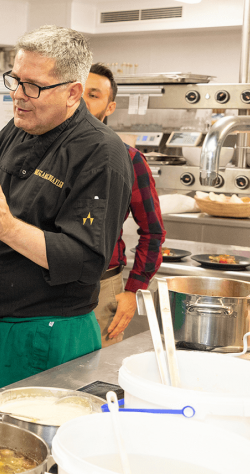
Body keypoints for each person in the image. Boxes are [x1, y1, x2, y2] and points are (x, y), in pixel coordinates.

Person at [0, 25, 133, 403]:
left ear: (73, 92)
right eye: (15, 81)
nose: (17, 96)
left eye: (33, 86)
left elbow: (85, 260)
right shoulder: (18, 129)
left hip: (45, 334)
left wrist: (7, 229)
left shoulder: (101, 153)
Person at [84, 63, 166, 347]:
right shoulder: (45, 155)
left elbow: (153, 232)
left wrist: (133, 290)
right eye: (78, 92)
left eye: (93, 95)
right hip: (42, 291)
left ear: (110, 107)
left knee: (94, 378)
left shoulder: (129, 161)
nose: (83, 101)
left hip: (102, 288)